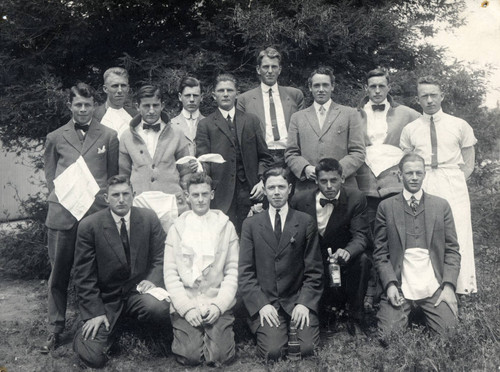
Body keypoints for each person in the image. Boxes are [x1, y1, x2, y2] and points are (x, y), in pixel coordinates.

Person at [41, 83, 119, 353]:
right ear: (70, 106)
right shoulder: (55, 137)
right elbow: (50, 177)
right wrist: (68, 197)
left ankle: (94, 325)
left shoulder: (109, 136)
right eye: (78, 105)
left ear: (94, 105)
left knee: (94, 272)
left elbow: (112, 176)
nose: (83, 110)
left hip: (95, 216)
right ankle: (55, 328)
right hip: (63, 214)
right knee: (58, 274)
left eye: (87, 105)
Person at [72, 175, 170, 368]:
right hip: (107, 299)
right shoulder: (89, 226)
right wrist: (94, 312)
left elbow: (162, 256)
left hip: (138, 292)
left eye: (126, 194)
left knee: (159, 308)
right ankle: (85, 328)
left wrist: (153, 279)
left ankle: (135, 328)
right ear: (106, 199)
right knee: (93, 357)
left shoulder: (148, 218)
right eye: (115, 195)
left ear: (133, 195)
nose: (121, 199)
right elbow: (84, 276)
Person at [400, 76, 477, 295]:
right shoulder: (410, 129)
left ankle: (463, 289)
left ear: (442, 95)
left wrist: (455, 180)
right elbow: (408, 162)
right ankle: (429, 290)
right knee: (426, 232)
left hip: (452, 180)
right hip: (424, 181)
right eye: (424, 96)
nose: (430, 100)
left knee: (459, 233)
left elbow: (469, 163)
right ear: (418, 99)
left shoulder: (459, 125)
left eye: (434, 95)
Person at [373, 153, 461, 343]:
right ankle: (404, 313)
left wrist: (448, 286)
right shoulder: (386, 207)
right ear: (399, 175)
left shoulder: (441, 206)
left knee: (451, 337)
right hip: (401, 282)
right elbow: (380, 252)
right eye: (409, 173)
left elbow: (452, 249)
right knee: (389, 338)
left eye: (418, 173)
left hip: (433, 282)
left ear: (424, 175)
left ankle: (425, 311)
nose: (414, 177)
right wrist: (389, 284)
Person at [239, 166, 323, 360]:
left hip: (296, 299)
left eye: (281, 187)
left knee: (307, 348)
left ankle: (295, 325)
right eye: (271, 188)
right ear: (265, 191)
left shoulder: (305, 222)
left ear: (290, 189)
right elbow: (245, 272)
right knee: (272, 352)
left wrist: (304, 303)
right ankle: (273, 332)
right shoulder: (251, 225)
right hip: (267, 301)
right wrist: (261, 305)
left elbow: (315, 271)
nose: (276, 192)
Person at [355, 68, 420, 310]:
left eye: (382, 86)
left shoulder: (408, 114)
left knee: (395, 236)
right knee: (370, 237)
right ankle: (370, 292)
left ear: (389, 87)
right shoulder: (355, 115)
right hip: (365, 184)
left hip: (394, 183)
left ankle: (398, 290)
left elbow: (419, 141)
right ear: (366, 88)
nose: (377, 91)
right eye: (372, 86)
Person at [164, 173, 239, 366]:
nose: (200, 199)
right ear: (187, 197)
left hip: (215, 301)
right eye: (195, 195)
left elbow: (232, 271)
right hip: (188, 301)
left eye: (204, 194)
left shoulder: (226, 226)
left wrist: (219, 305)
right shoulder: (176, 229)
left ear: (212, 195)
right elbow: (171, 274)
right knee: (190, 357)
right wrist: (187, 309)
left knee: (221, 356)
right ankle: (194, 338)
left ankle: (215, 337)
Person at [292, 158, 371, 335]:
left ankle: (356, 317)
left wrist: (347, 252)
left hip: (342, 260)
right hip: (313, 261)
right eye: (323, 181)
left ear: (342, 179)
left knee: (363, 260)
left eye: (333, 180)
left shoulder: (355, 198)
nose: (329, 186)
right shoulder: (299, 200)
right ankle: (320, 314)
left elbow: (361, 236)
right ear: (315, 181)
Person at [196, 73, 273, 234]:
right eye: (221, 90)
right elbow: (204, 163)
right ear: (213, 95)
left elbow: (265, 157)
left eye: (229, 90)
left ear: (237, 93)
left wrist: (261, 181)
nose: (225, 94)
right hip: (221, 195)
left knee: (253, 237)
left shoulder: (251, 120)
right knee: (224, 239)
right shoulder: (205, 125)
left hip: (251, 192)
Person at [285, 66, 365, 198]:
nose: (321, 90)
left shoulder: (350, 114)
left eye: (325, 85)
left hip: (343, 187)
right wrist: (305, 168)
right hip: (307, 189)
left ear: (332, 87)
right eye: (316, 86)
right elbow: (291, 152)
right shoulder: (297, 117)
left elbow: (358, 152)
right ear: (310, 88)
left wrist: (336, 172)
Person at [119, 85, 196, 197]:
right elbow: (124, 174)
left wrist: (185, 195)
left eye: (155, 105)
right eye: (146, 106)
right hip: (139, 200)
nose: (151, 111)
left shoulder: (177, 133)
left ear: (162, 105)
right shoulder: (127, 136)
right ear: (137, 106)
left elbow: (185, 172)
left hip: (171, 199)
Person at [237, 47, 304, 164]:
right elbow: (242, 135)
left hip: (290, 155)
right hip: (261, 156)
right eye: (265, 67)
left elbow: (303, 130)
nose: (270, 71)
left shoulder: (295, 95)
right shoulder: (244, 99)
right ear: (258, 69)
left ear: (280, 69)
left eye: (274, 67)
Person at [93, 67, 137, 139]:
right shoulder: (93, 116)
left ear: (128, 88)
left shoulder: (136, 116)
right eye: (115, 86)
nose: (120, 90)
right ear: (105, 89)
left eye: (123, 85)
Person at [171, 76, 205, 156]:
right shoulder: (171, 124)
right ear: (180, 97)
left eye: (195, 95)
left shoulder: (209, 123)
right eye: (187, 95)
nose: (192, 99)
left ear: (202, 97)